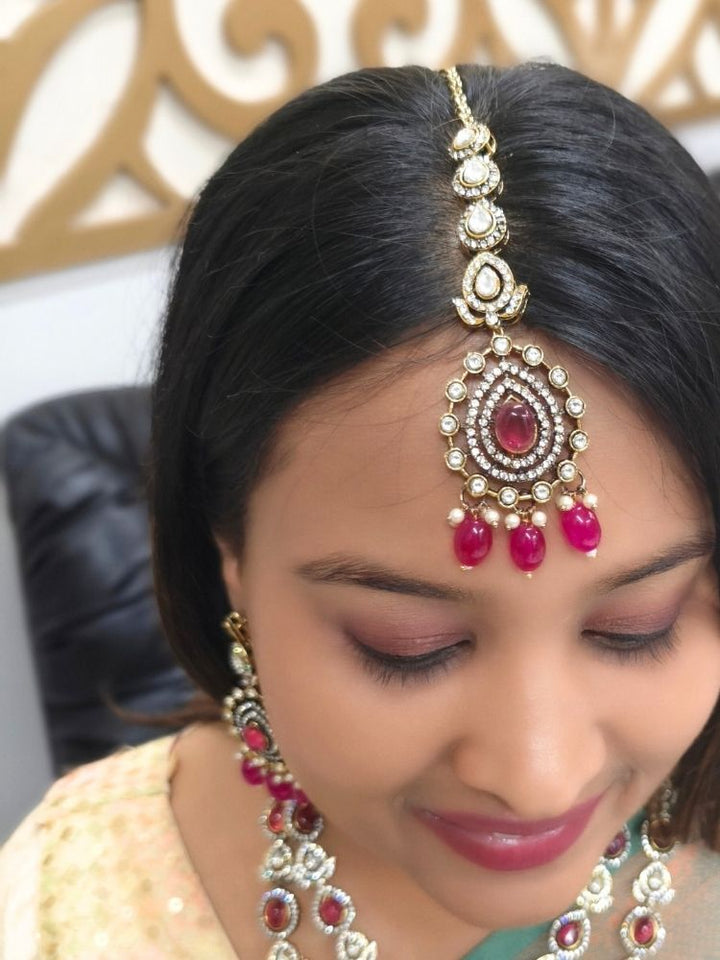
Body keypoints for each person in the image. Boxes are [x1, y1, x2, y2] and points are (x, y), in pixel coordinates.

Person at [1, 60, 720, 959]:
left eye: (634, 627)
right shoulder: (64, 910)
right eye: (408, 647)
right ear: (229, 551)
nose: (538, 776)